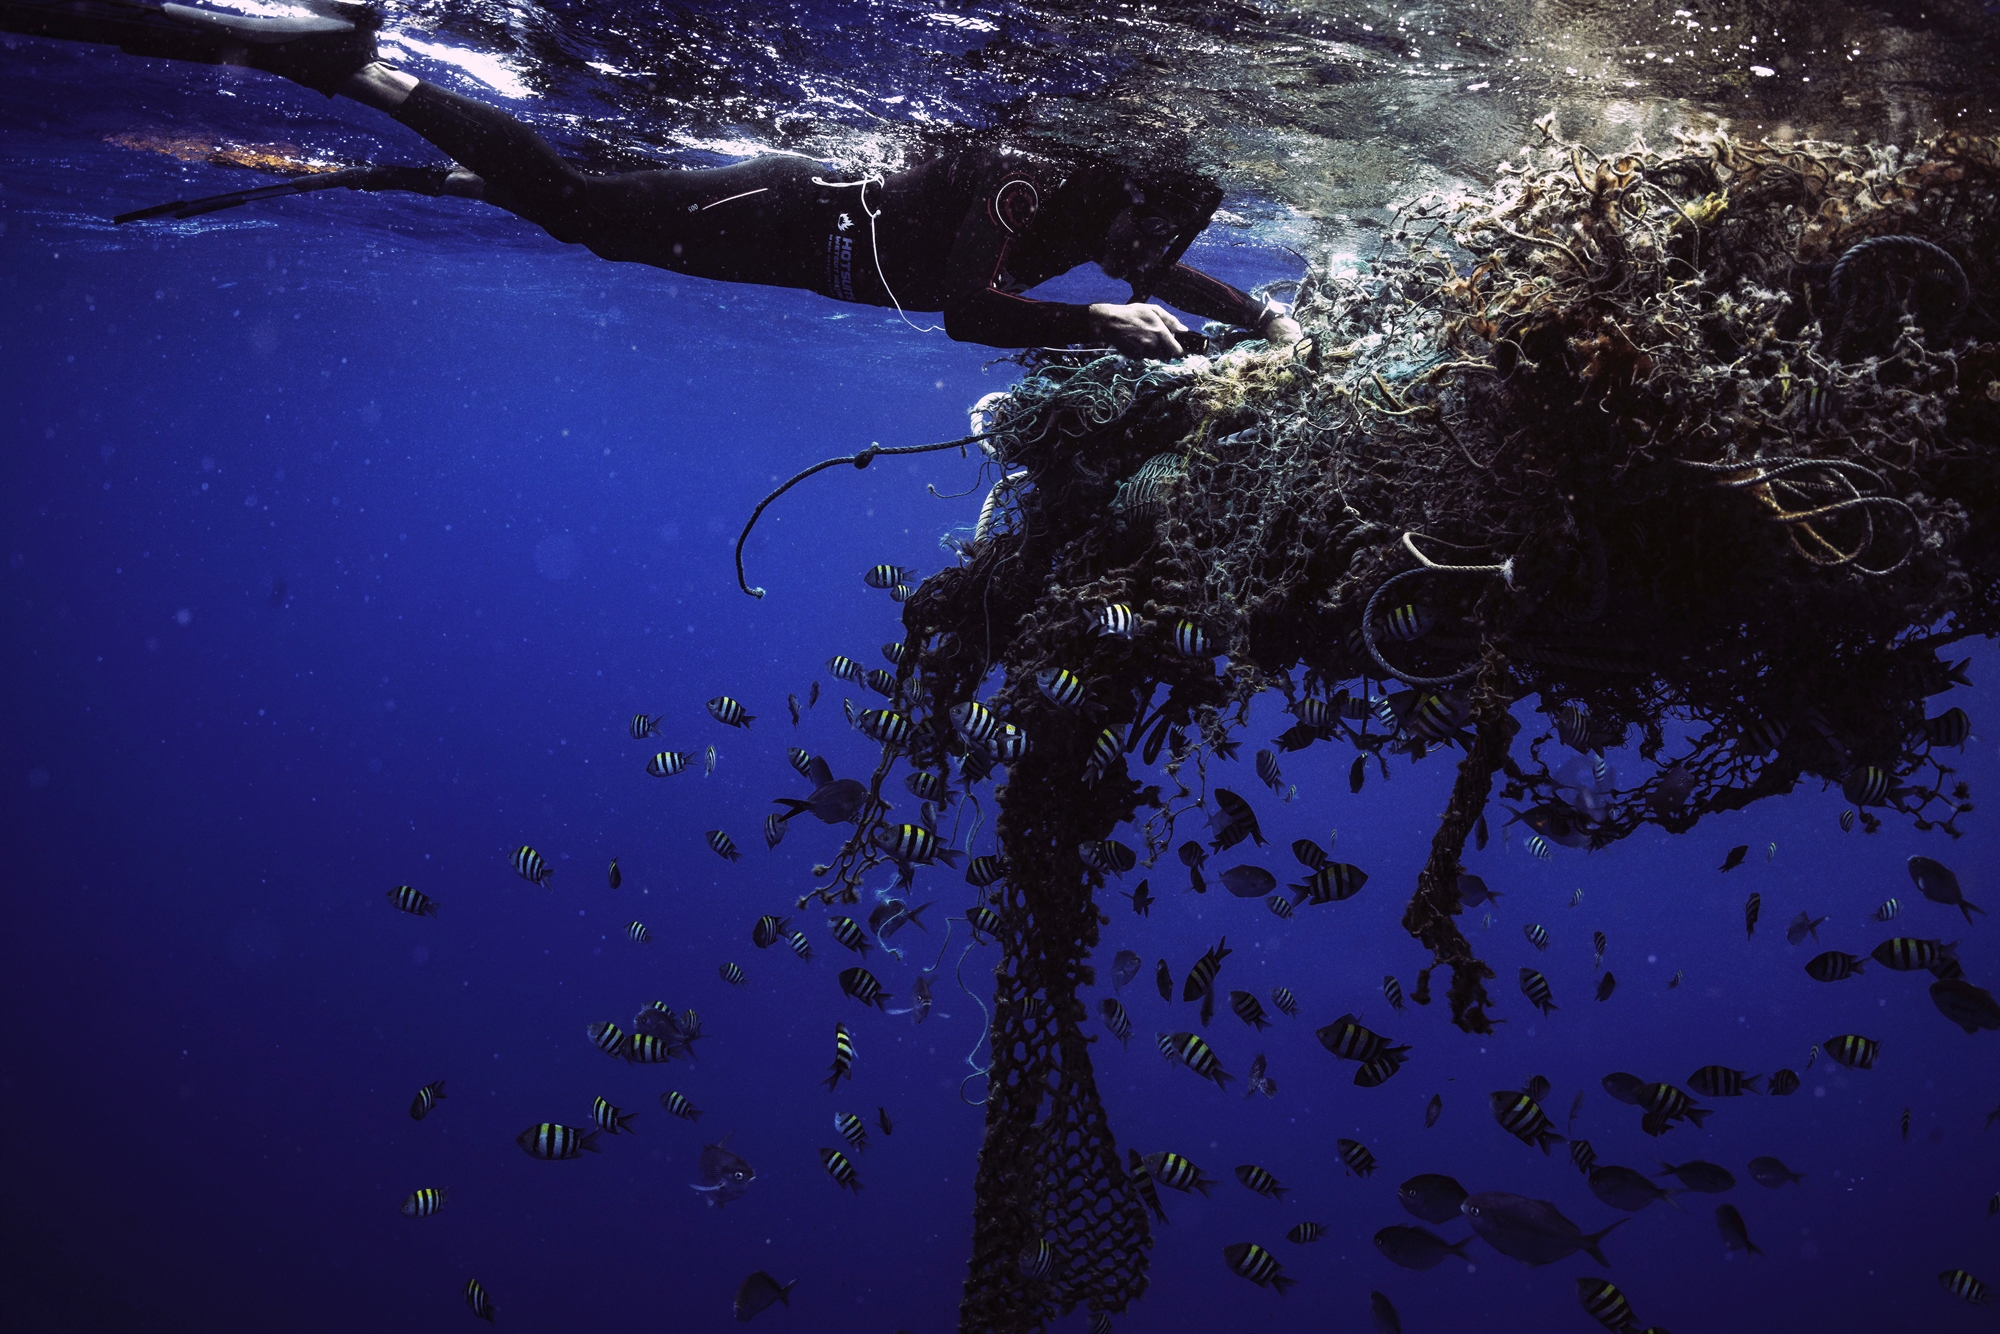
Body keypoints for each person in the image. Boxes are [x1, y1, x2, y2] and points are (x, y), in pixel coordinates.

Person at [2, 0, 1302, 356]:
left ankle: (433, 166)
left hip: (795, 241)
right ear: (1120, 181)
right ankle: (371, 73)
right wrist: (1094, 322)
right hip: (788, 214)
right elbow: (969, 311)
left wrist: (1261, 315)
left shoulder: (1107, 227)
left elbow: (1154, 276)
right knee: (580, 217)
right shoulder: (1029, 181)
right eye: (1144, 222)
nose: (1141, 254)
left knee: (585, 202)